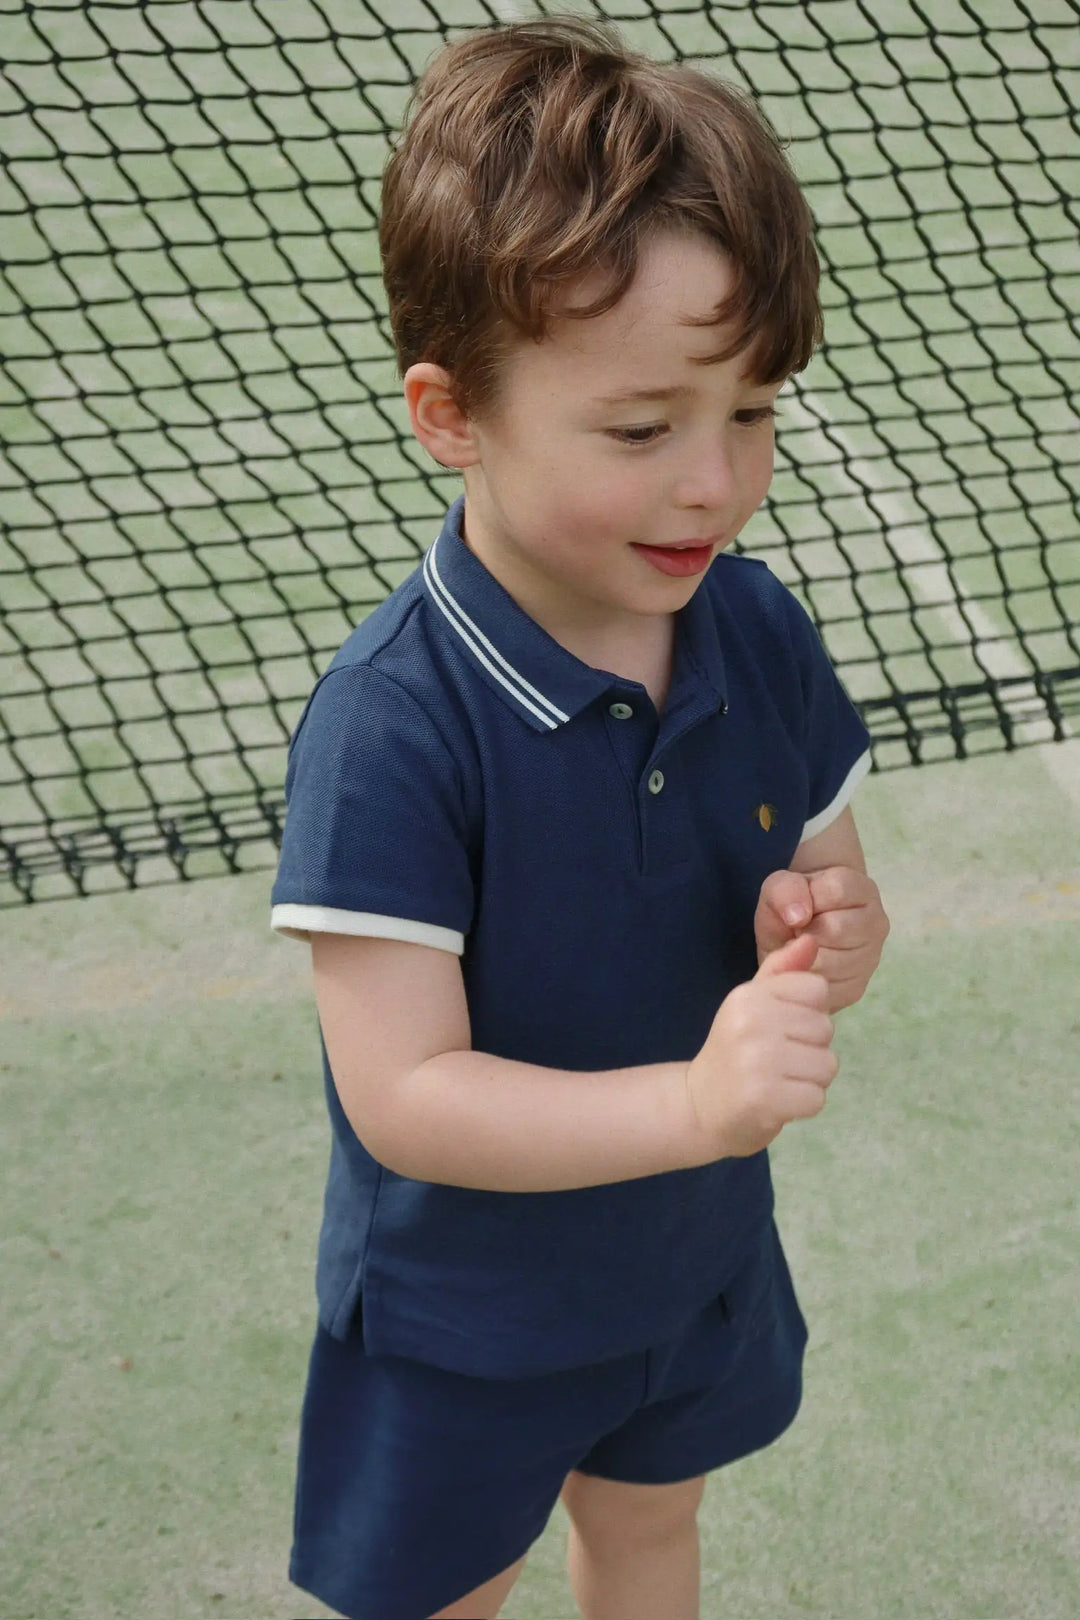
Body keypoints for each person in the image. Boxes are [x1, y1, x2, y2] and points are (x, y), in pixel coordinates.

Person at [269, 15, 890, 1620]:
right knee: (449, 1594)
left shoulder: (756, 634)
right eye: (642, 428)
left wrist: (823, 946)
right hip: (464, 1317)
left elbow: (836, 901)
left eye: (751, 413)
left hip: (688, 1267)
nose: (715, 481)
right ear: (450, 413)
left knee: (649, 1536)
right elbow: (406, 1093)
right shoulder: (395, 726)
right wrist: (697, 1103)